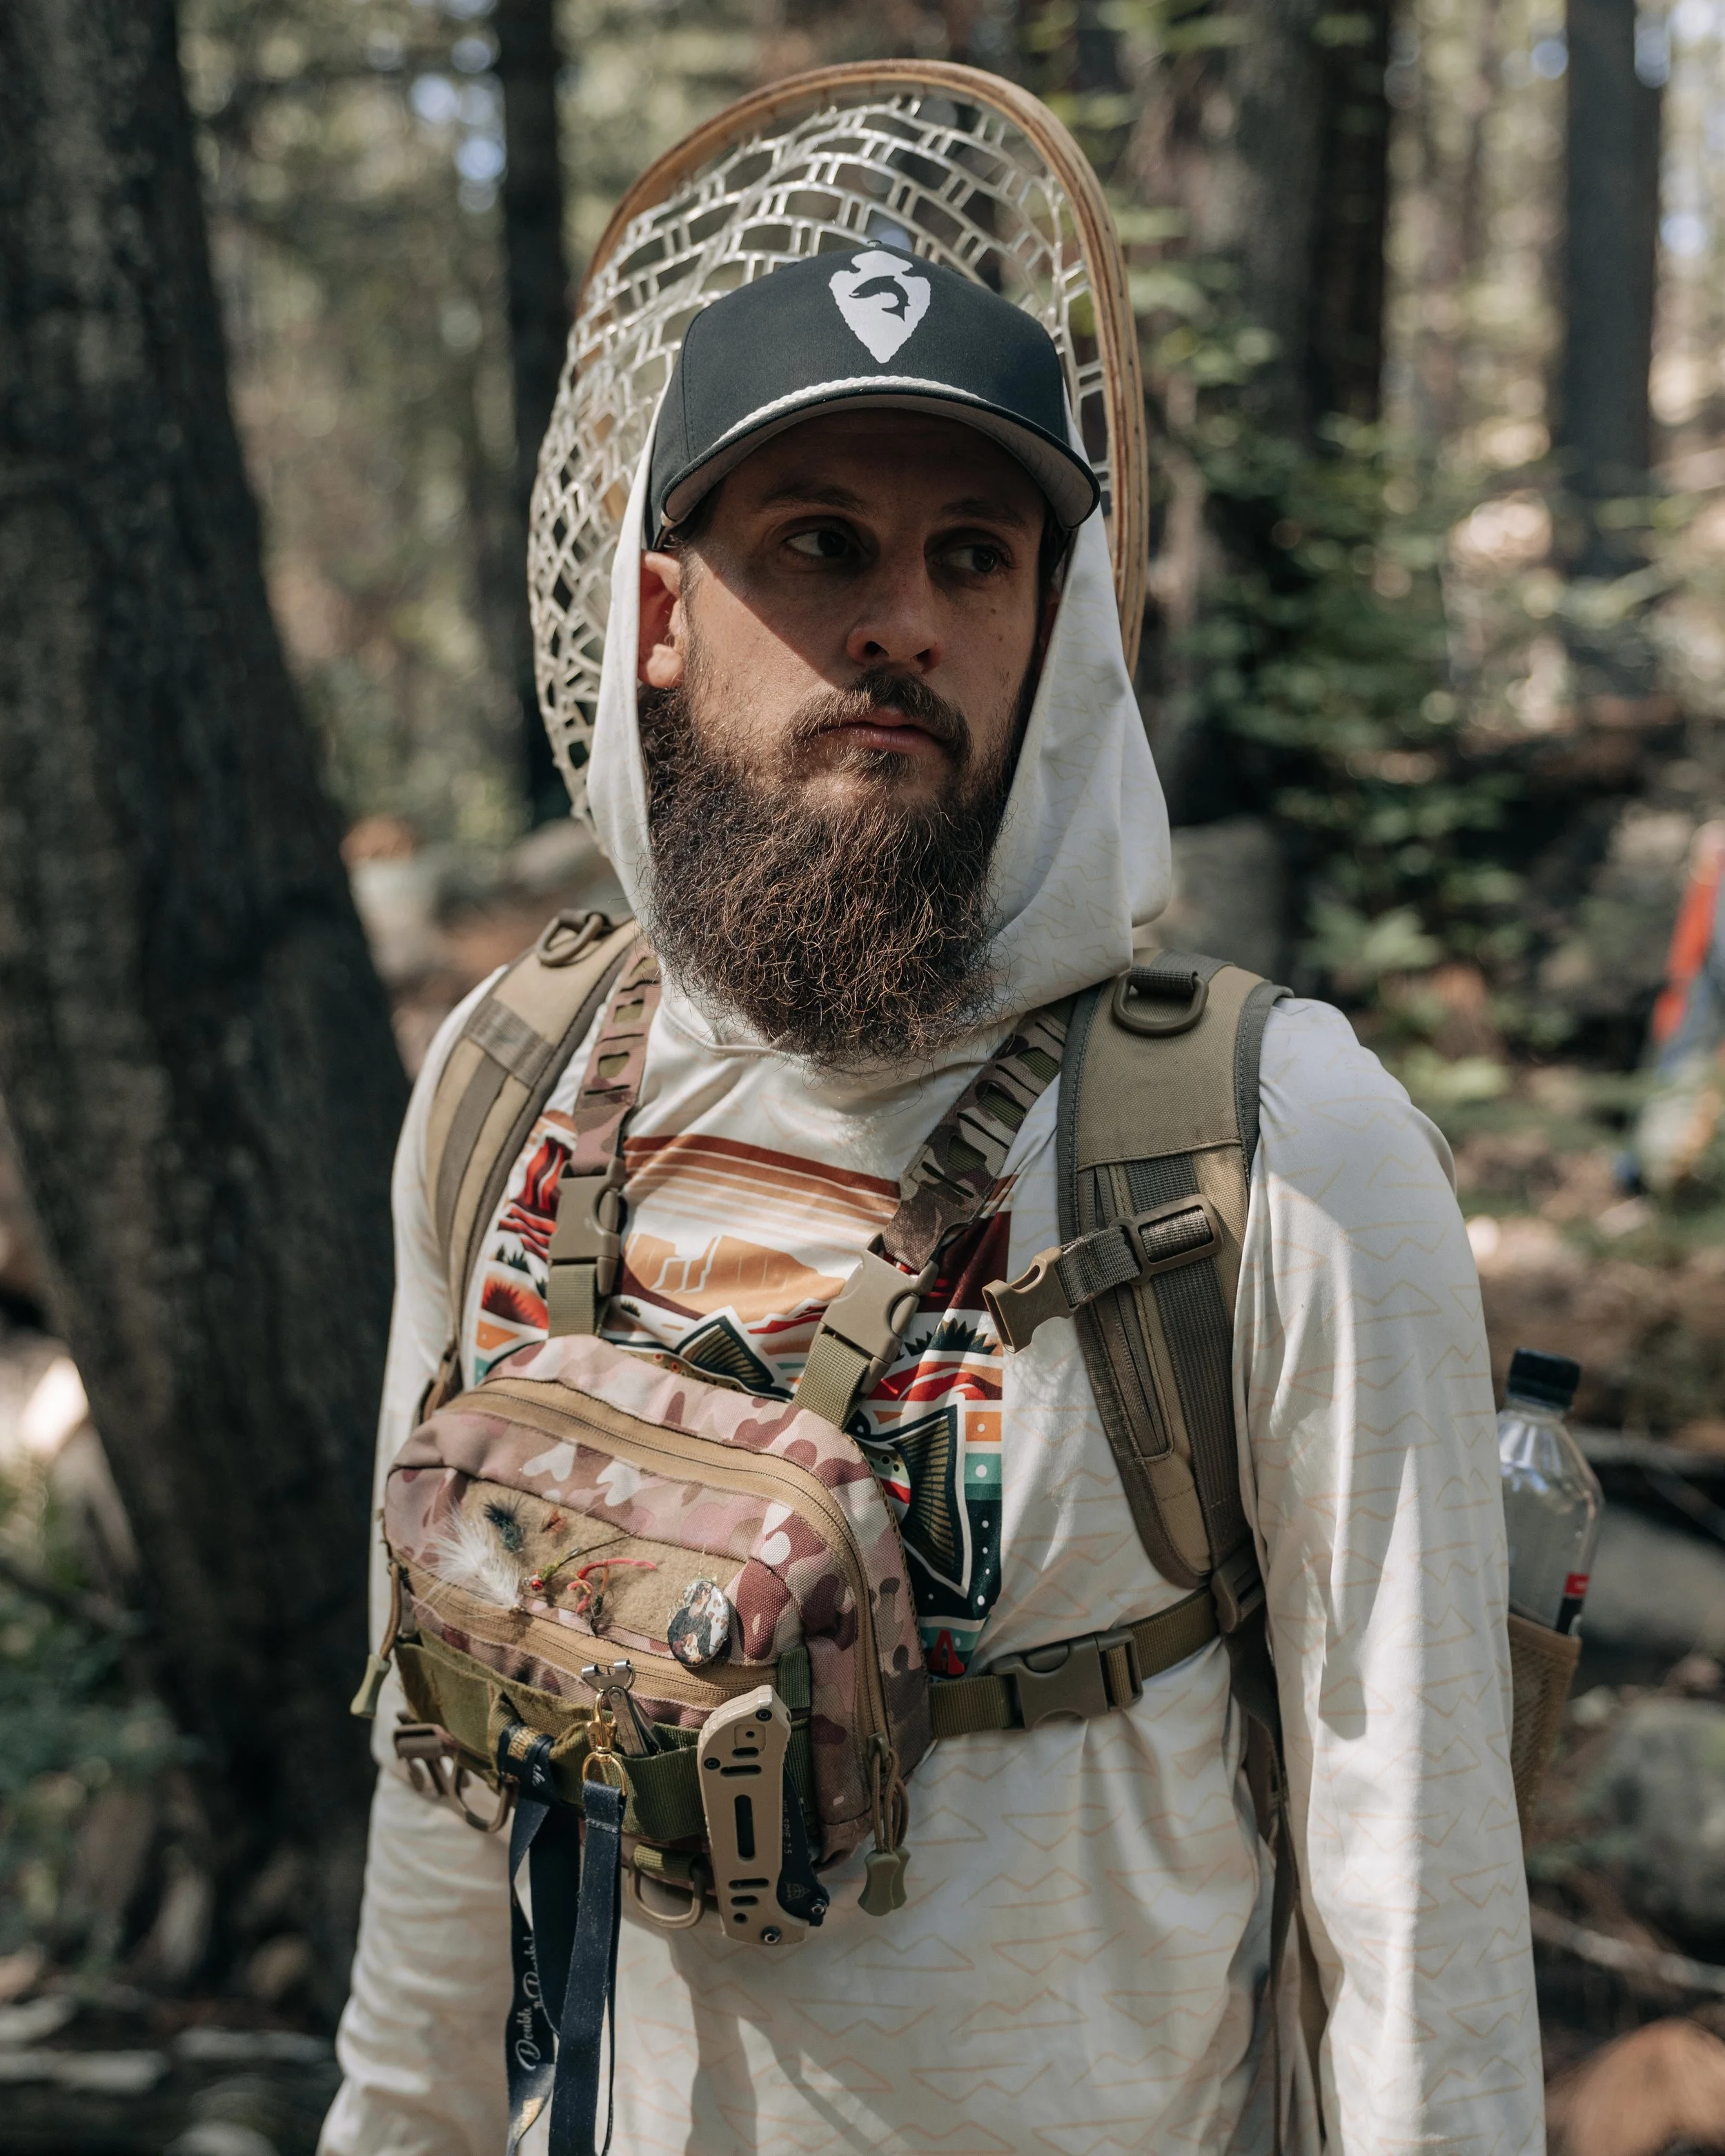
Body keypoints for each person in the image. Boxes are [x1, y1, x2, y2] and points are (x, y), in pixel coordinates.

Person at [320, 246, 1544, 2154]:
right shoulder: (513, 1079)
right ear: (660, 609)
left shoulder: (1275, 1146)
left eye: (974, 558)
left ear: (1054, 628)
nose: (902, 619)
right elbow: (438, 1774)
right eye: (818, 543)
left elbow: (1419, 1907)